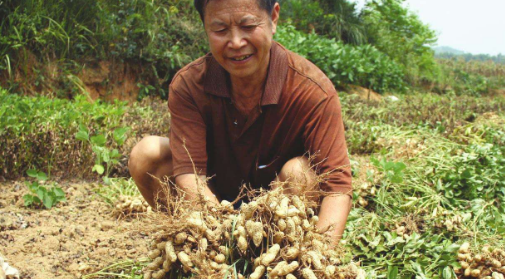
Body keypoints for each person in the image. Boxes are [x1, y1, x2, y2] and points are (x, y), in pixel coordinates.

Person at [128, 0, 352, 245]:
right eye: (220, 30)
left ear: (273, 18)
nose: (235, 43)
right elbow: (190, 175)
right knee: (147, 154)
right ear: (204, 27)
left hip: (281, 214)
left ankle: (282, 253)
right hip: (214, 206)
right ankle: (199, 250)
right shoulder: (189, 85)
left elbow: (336, 187)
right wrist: (223, 238)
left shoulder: (313, 90)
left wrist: (320, 257)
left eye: (248, 25)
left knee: (300, 173)